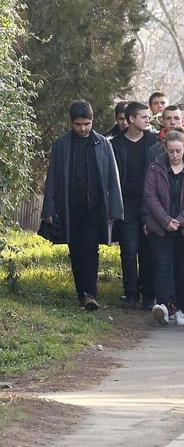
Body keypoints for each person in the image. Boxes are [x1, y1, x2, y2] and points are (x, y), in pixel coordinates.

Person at [42, 101, 125, 310]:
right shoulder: (61, 144)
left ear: (92, 121)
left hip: (94, 208)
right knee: (75, 250)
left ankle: (90, 294)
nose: (83, 128)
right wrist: (49, 208)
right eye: (78, 124)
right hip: (69, 207)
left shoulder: (103, 143)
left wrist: (114, 209)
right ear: (72, 123)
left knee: (90, 249)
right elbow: (52, 177)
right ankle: (82, 293)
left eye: (87, 123)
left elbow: (112, 178)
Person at [144, 130, 184, 327]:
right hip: (161, 227)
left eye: (178, 151)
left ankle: (180, 308)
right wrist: (165, 220)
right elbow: (150, 196)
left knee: (183, 269)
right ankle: (163, 306)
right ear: (165, 149)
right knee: (163, 267)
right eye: (171, 151)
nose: (175, 155)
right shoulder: (155, 168)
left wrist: (180, 220)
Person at [110, 101, 160, 309]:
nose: (147, 120)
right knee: (128, 250)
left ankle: (149, 294)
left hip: (150, 204)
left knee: (148, 250)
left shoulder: (153, 141)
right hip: (126, 205)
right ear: (131, 119)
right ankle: (130, 293)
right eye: (143, 117)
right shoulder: (116, 144)